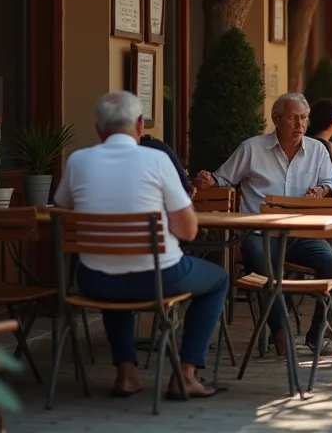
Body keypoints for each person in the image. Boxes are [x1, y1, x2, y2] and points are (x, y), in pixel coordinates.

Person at [54, 91, 227, 399]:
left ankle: (126, 374)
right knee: (218, 279)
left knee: (112, 264)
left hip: (95, 281)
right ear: (139, 124)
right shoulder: (157, 159)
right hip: (157, 279)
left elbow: (61, 208)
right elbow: (188, 232)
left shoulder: (78, 160)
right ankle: (186, 374)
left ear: (97, 129)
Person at [193, 93, 332, 356]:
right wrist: (208, 180)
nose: (300, 124)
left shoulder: (317, 150)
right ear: (276, 118)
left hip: (300, 232)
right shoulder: (252, 148)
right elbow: (223, 178)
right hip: (258, 233)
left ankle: (317, 332)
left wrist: (323, 191)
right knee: (265, 264)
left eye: (304, 118)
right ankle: (281, 332)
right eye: (293, 117)